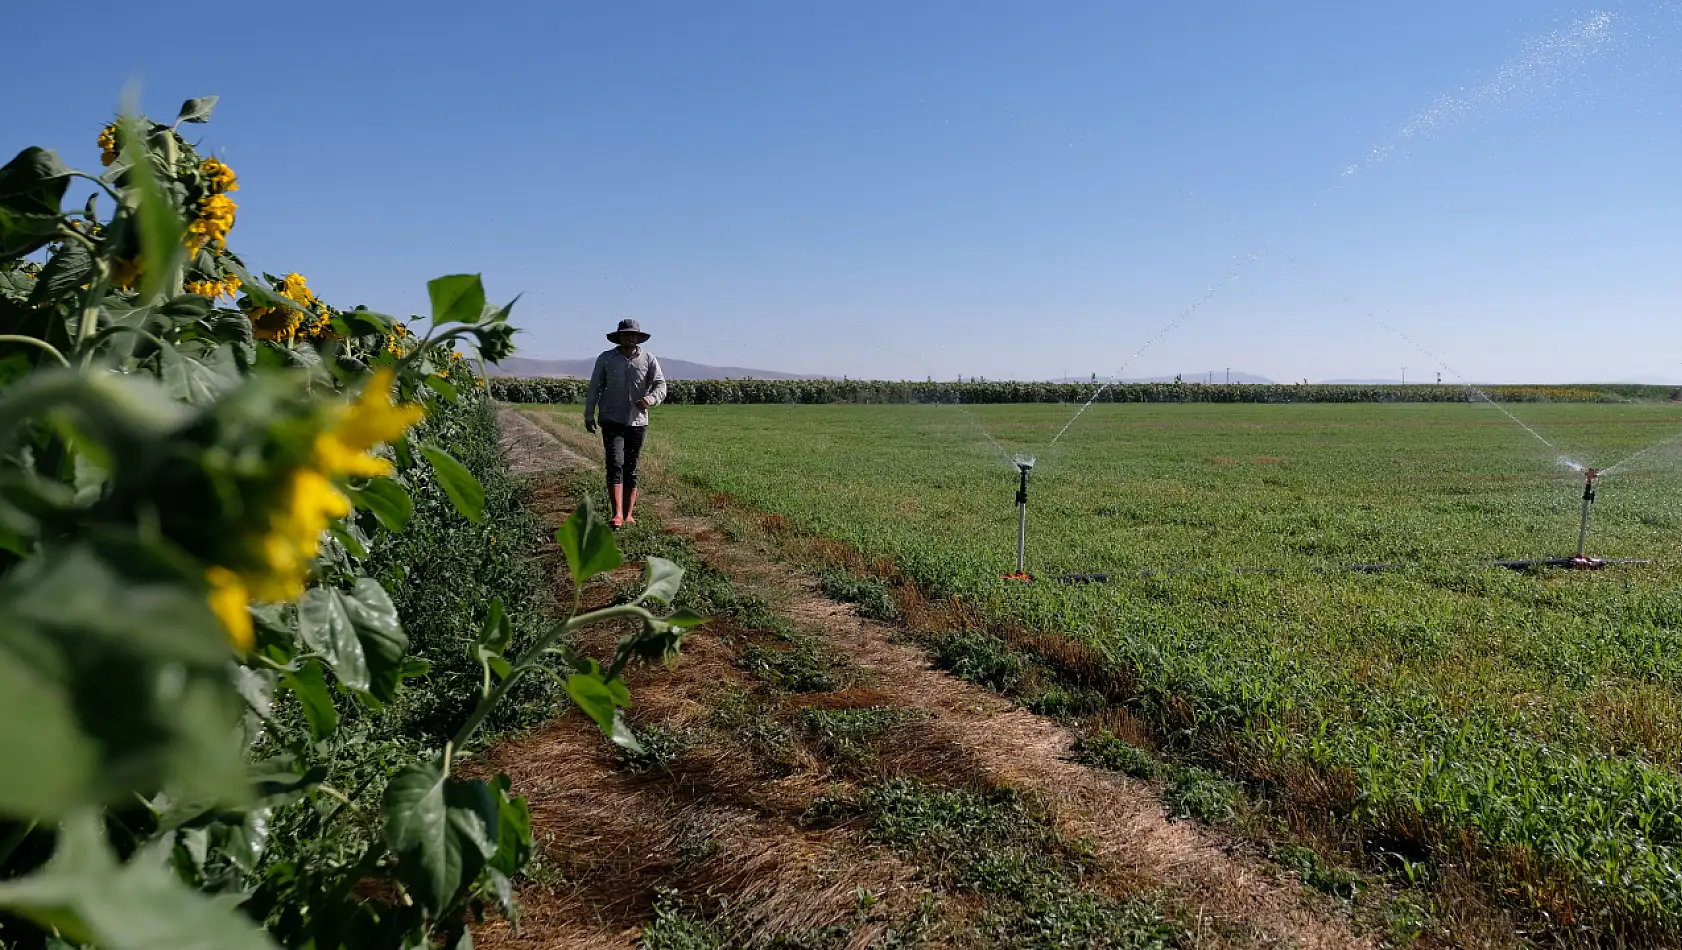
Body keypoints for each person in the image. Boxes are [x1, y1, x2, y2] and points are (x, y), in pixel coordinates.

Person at [584, 318, 667, 528]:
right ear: (619, 337)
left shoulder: (648, 359)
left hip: (637, 421)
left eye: (633, 335)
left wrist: (650, 399)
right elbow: (594, 387)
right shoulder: (606, 359)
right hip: (611, 419)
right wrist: (588, 414)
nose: (629, 338)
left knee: (631, 467)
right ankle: (617, 513)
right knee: (614, 463)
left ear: (638, 338)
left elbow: (660, 385)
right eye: (625, 334)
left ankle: (629, 513)